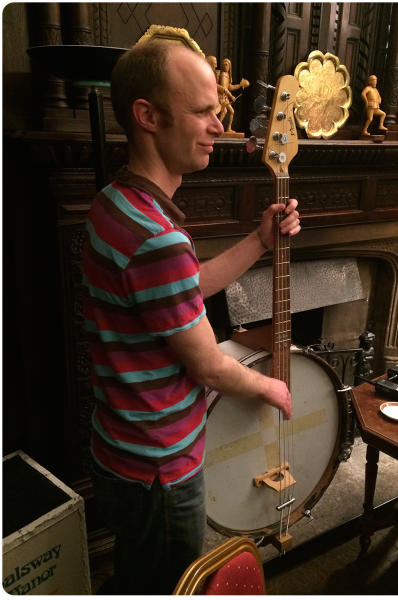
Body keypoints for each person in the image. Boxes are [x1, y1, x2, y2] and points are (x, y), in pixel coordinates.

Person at [83, 39, 300, 596]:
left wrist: (259, 238)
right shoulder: (156, 237)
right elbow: (208, 366)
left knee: (135, 573)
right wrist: (271, 385)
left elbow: (184, 291)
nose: (219, 125)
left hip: (119, 449)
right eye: (203, 111)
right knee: (167, 585)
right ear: (147, 116)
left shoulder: (116, 204)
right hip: (158, 470)